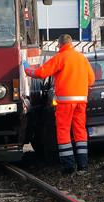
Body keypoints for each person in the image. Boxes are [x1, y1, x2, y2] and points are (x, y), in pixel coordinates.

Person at [25, 34, 95, 174]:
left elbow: (41, 73)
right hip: (81, 101)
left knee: (63, 131)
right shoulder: (82, 58)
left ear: (60, 44)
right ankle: (83, 165)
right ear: (71, 44)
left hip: (65, 102)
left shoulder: (60, 58)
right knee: (80, 131)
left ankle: (68, 166)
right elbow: (91, 80)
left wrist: (27, 69)